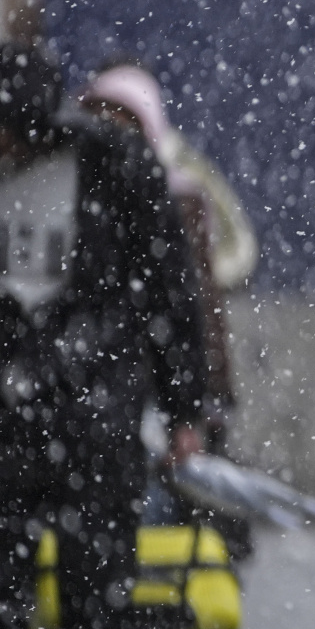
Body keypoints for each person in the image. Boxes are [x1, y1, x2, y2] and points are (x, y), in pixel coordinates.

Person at [0, 41, 208, 629]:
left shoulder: (112, 163)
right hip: (15, 434)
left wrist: (185, 406)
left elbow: (168, 283)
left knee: (96, 625)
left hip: (93, 428)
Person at [80, 58, 260, 555]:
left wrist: (196, 399)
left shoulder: (175, 193)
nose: (108, 133)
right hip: (91, 388)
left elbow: (192, 302)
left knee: (152, 513)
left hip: (142, 384)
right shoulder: (63, 186)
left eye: (121, 120)